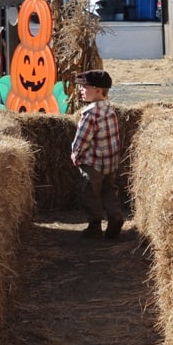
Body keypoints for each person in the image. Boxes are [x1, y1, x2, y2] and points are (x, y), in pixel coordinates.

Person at [71, 69, 124, 240]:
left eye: (85, 87)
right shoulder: (109, 109)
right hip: (110, 162)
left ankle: (94, 225)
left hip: (93, 163)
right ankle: (115, 216)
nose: (81, 90)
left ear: (98, 90)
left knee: (91, 192)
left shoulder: (89, 114)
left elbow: (82, 139)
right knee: (109, 190)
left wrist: (75, 154)